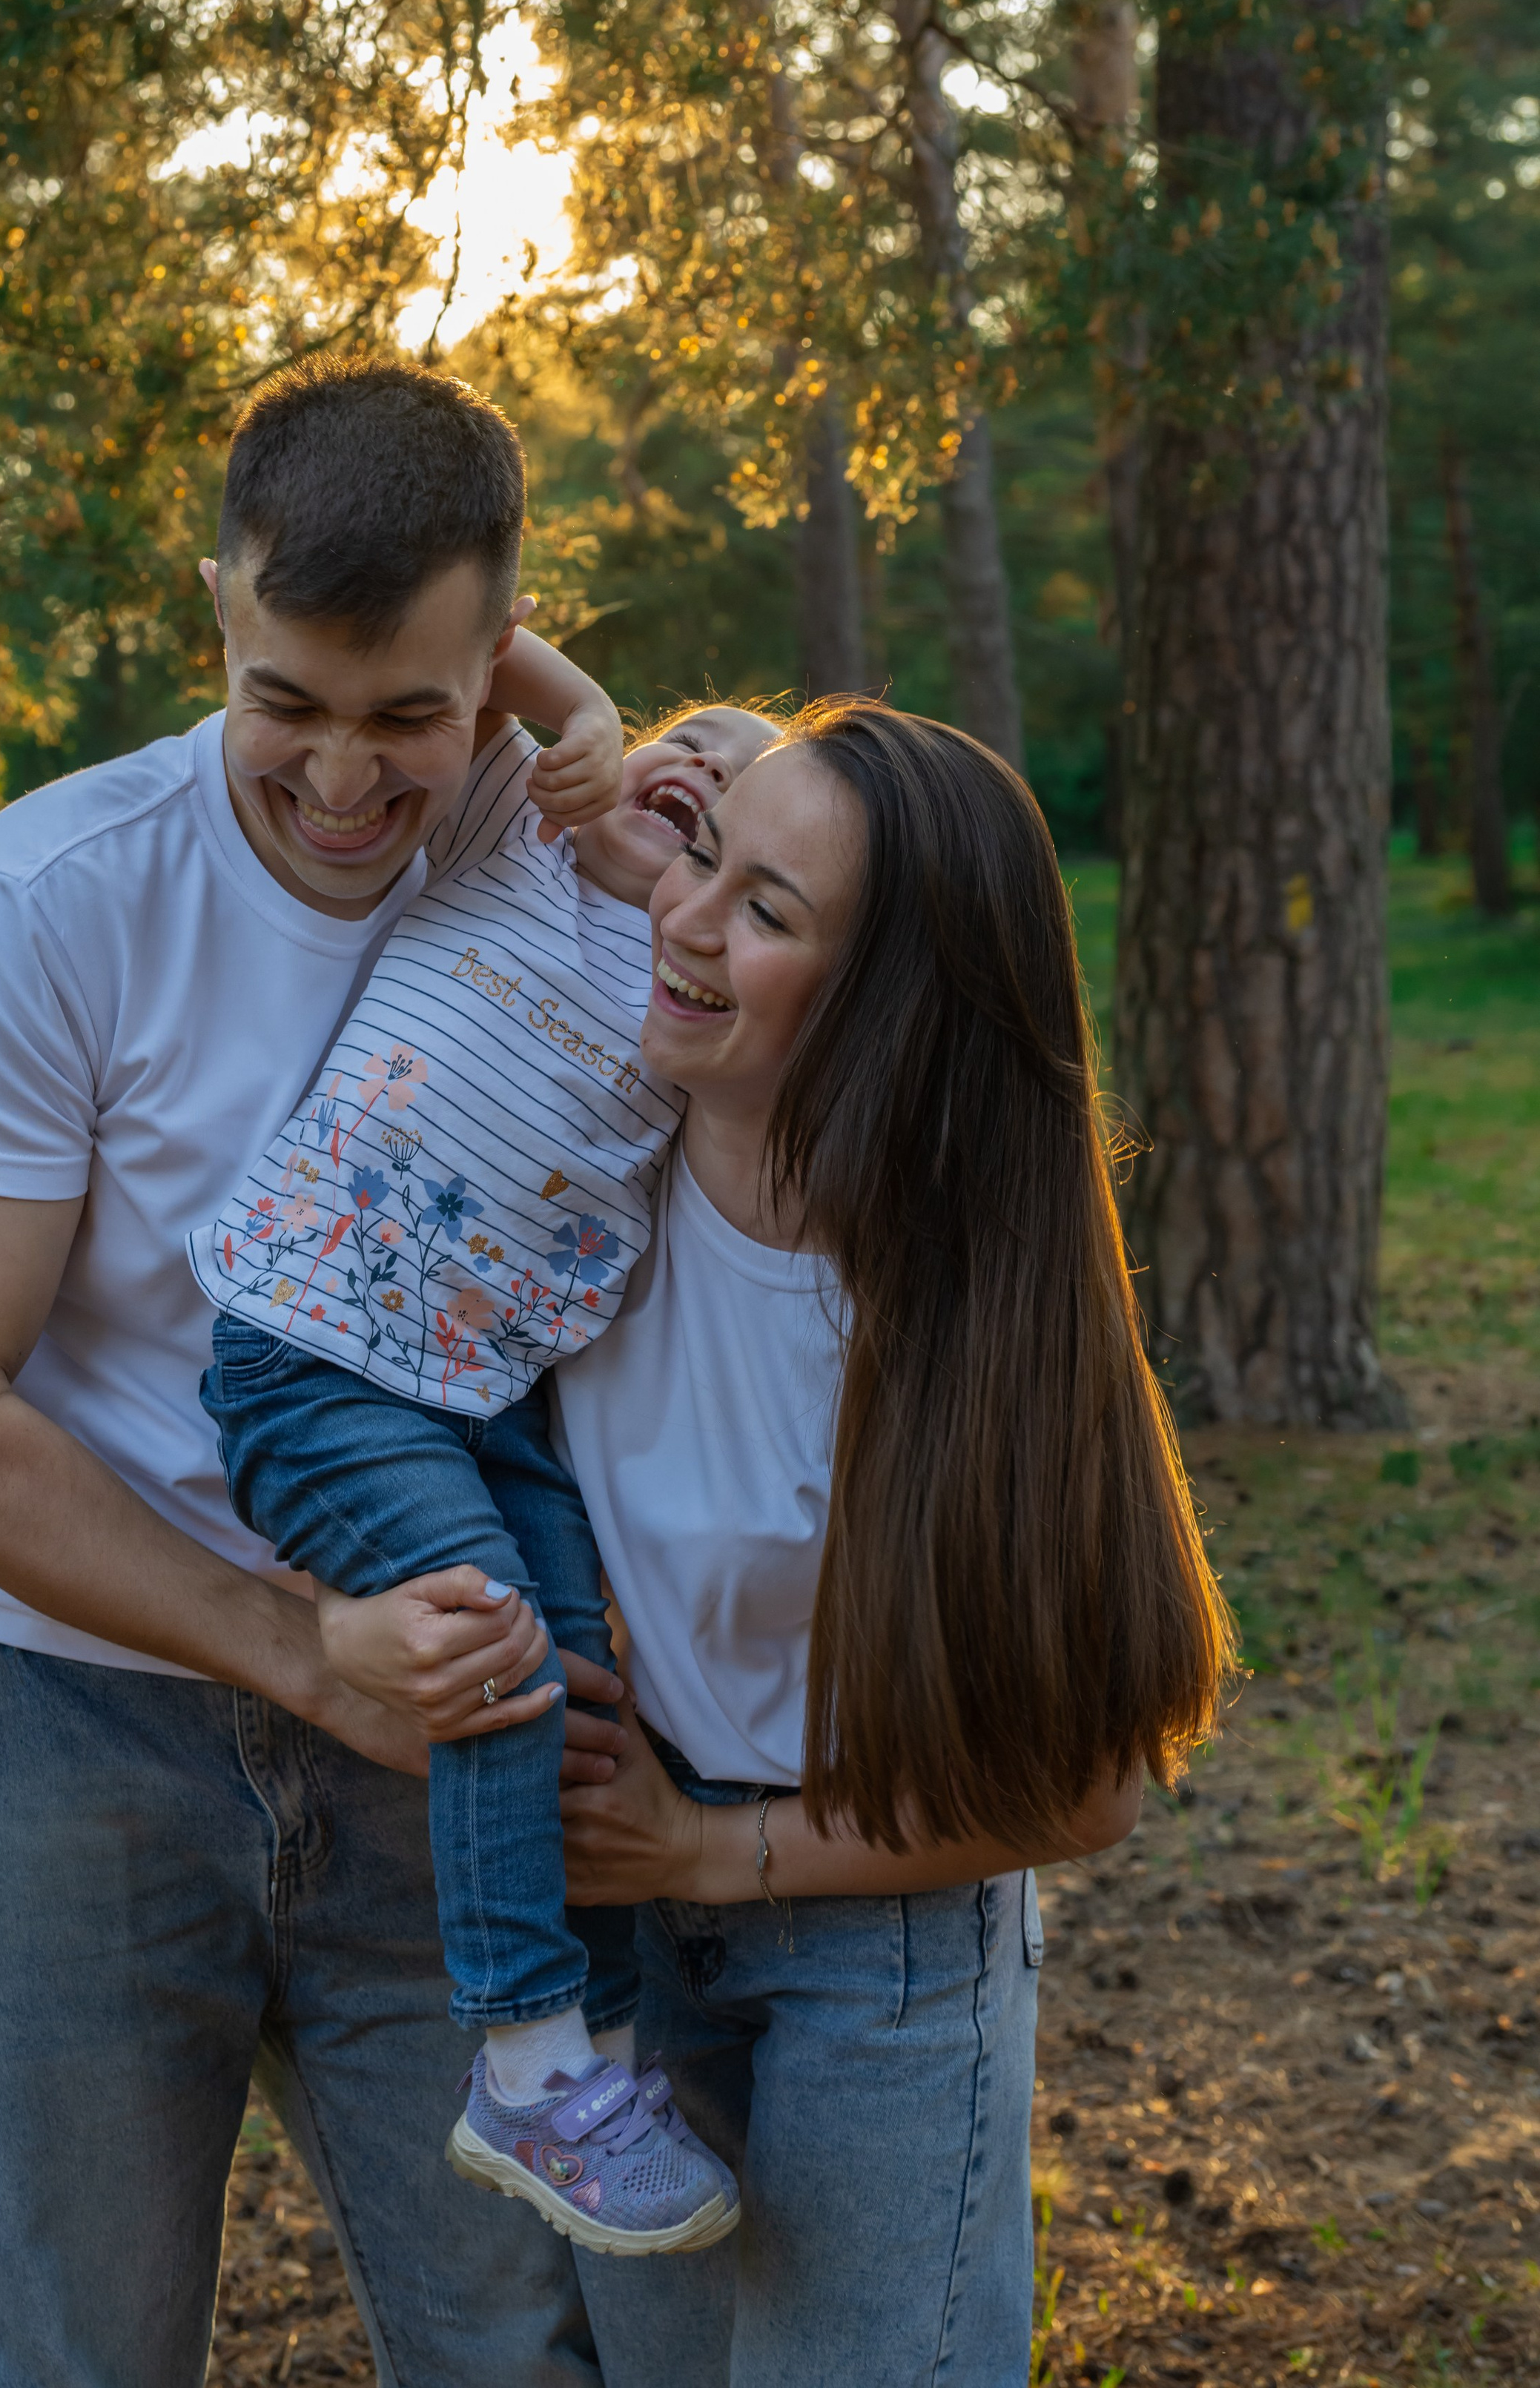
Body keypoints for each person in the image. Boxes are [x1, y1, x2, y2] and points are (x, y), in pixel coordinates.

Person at [0, 356, 634, 2388]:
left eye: (412, 718)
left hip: (433, 1732)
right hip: (53, 1729)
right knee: (59, 2358)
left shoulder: (560, 859)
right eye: (288, 703)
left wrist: (582, 733)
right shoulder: (49, 902)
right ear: (220, 614)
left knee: (533, 2350)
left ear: (503, 652)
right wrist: (300, 1653)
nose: (349, 783)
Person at [318, 700, 1235, 2385]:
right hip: (623, 1925)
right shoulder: (582, 1159)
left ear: (889, 1001)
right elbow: (476, 707)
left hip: (880, 1923)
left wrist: (706, 1854)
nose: (682, 922)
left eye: (765, 912)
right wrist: (645, 756)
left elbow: (1088, 1790)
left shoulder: (965, 1304)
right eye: (701, 867)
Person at [192, 698, 776, 2255]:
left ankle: (587, 2044)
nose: (701, 772)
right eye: (688, 742)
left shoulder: (693, 979)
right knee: (498, 1639)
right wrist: (591, 726)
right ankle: (520, 2063)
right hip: (317, 1353)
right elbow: (490, 639)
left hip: (484, 1389)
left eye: (734, 795)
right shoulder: (506, 836)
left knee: (582, 1671)